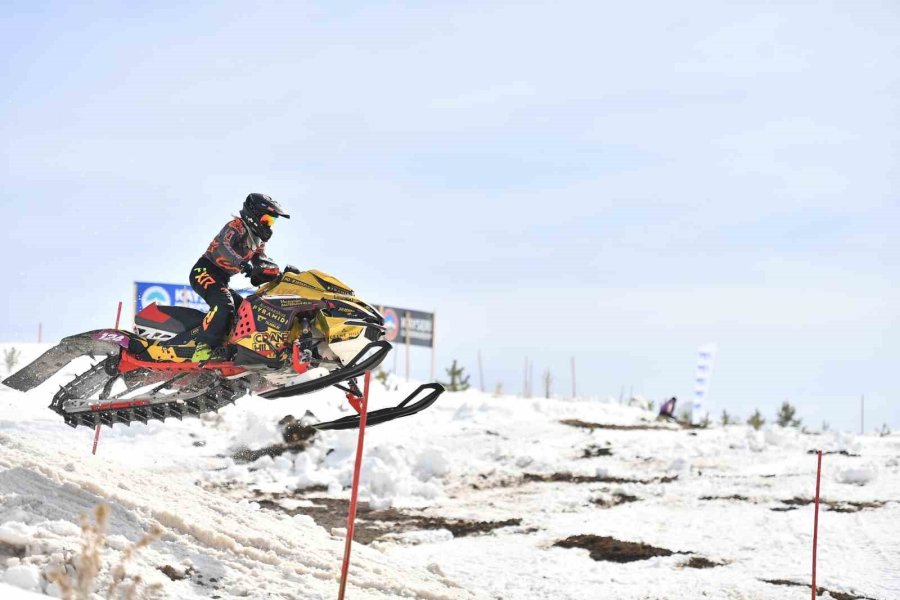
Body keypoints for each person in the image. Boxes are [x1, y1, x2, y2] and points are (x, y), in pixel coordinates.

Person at [189, 193, 290, 361]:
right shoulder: (237, 225)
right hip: (204, 271)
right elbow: (223, 245)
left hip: (222, 279)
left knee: (245, 309)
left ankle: (229, 349)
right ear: (254, 215)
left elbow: (261, 260)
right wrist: (242, 263)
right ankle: (203, 347)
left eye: (273, 221)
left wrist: (277, 275)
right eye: (267, 220)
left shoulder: (258, 240)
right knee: (224, 304)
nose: (269, 225)